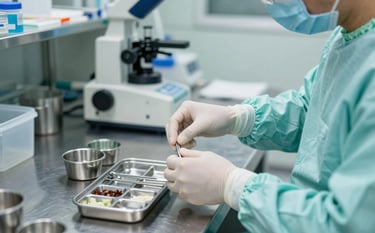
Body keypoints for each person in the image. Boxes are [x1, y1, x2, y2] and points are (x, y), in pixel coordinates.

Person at [164, 0, 375, 232]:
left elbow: (348, 223)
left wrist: (233, 185)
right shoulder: (349, 36)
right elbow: (314, 111)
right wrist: (239, 118)